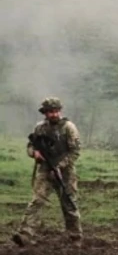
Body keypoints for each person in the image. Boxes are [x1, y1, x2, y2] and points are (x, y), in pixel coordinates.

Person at [12, 97, 83, 247]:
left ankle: (74, 236)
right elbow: (31, 145)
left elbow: (75, 151)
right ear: (45, 113)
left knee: (69, 203)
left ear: (60, 111)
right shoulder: (40, 128)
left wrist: (60, 165)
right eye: (50, 112)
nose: (53, 114)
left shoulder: (68, 127)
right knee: (37, 201)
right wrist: (34, 153)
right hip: (44, 169)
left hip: (65, 172)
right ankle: (25, 234)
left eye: (56, 111)